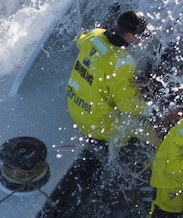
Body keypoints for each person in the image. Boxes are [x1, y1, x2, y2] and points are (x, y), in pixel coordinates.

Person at [66, 11, 154, 149]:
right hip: (98, 125)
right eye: (140, 36)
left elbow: (79, 39)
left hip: (75, 108)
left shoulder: (94, 35)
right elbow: (127, 105)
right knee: (153, 136)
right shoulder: (122, 62)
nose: (142, 39)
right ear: (129, 36)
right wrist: (156, 110)